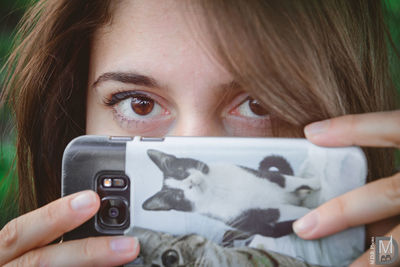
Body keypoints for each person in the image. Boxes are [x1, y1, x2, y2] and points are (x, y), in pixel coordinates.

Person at [0, 0, 399, 266]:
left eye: (259, 104)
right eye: (140, 104)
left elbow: (384, 252)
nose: (193, 144)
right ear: (75, 120)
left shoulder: (377, 248)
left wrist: (389, 251)